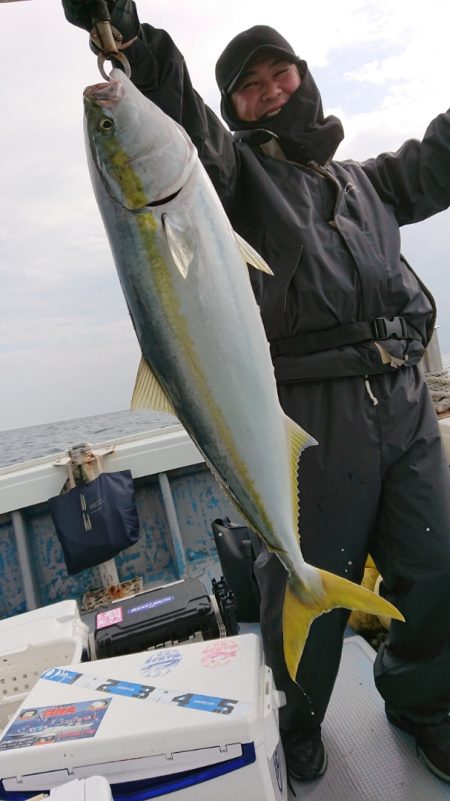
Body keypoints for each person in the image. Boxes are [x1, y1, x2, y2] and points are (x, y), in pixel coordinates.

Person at [62, 1, 450, 783]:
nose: (270, 91)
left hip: (405, 400)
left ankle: (425, 704)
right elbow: (182, 120)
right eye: (249, 86)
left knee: (438, 567)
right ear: (233, 107)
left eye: (281, 73)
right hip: (312, 411)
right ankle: (296, 720)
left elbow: (440, 157)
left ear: (304, 78)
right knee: (306, 578)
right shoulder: (236, 178)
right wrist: (131, 40)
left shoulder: (367, 183)